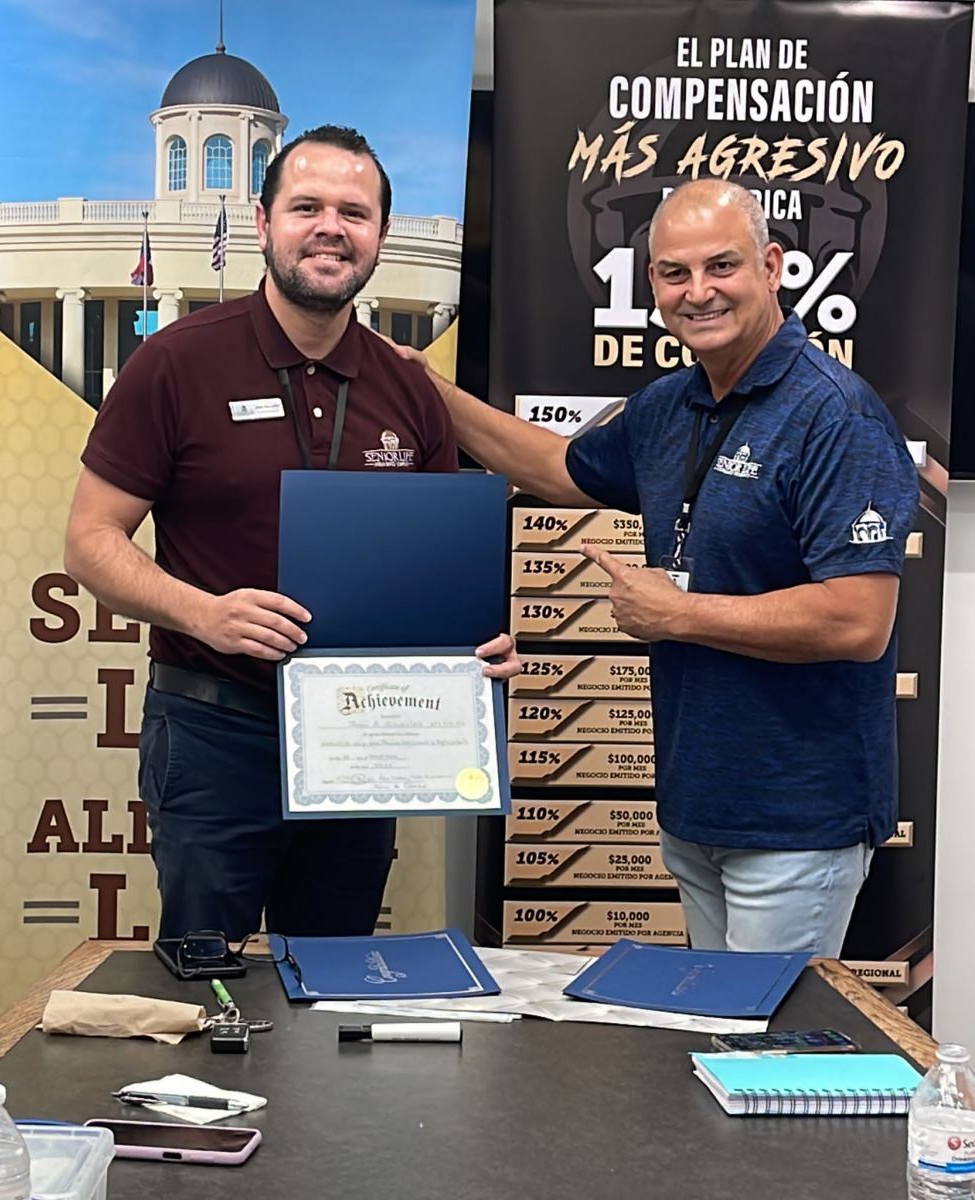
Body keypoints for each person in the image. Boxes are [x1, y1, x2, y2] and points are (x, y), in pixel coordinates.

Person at [389, 178, 919, 956]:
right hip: (694, 810)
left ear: (771, 266)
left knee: (763, 1033)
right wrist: (426, 388)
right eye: (674, 273)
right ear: (652, 284)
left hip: (794, 824)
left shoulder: (836, 417)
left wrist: (678, 614)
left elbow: (857, 620)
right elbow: (555, 467)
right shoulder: (670, 406)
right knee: (711, 1023)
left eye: (721, 266)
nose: (697, 292)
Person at [64, 124, 519, 942]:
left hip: (362, 735)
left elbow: (431, 569)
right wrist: (204, 613)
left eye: (354, 212)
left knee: (334, 982)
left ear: (380, 234)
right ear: (262, 221)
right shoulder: (175, 363)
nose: (330, 228)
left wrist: (469, 652)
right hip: (214, 730)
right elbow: (90, 541)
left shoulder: (411, 392)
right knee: (209, 978)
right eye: (306, 207)